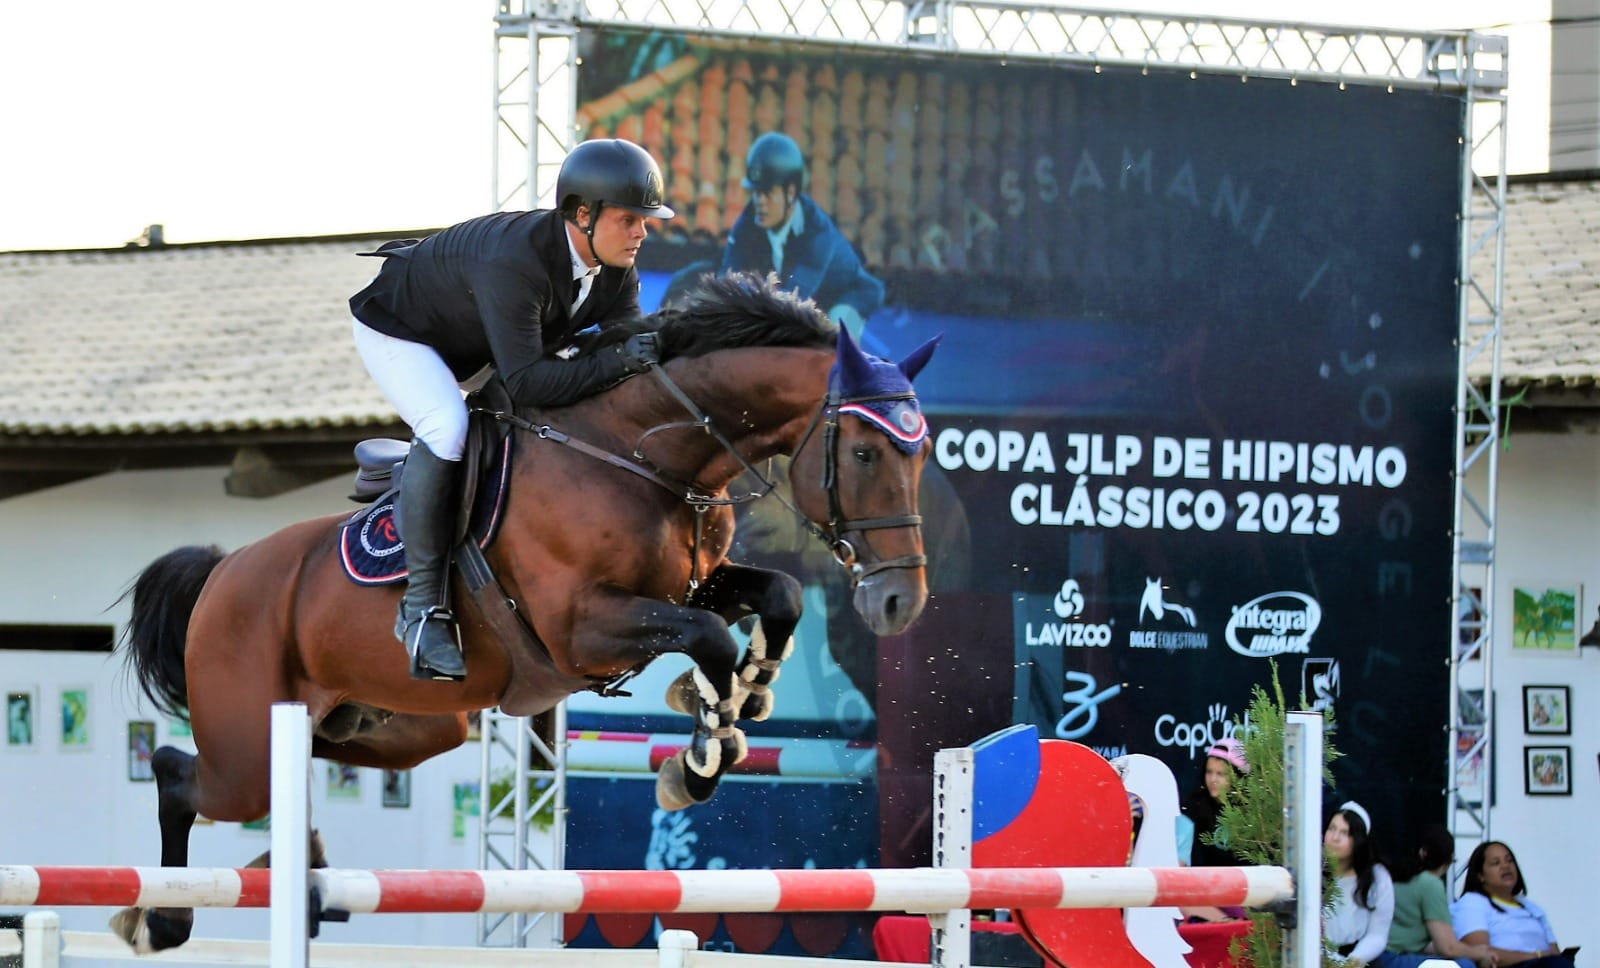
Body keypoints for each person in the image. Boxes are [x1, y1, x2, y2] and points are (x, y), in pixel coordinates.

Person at [349, 138, 674, 681]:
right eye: (629, 219)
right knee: (447, 426)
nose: (642, 231)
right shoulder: (515, 263)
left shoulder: (616, 265)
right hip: (402, 331)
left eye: (645, 219)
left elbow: (628, 343)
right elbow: (528, 381)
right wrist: (617, 360)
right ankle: (422, 611)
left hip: (483, 340)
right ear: (582, 214)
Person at [719, 132, 884, 336]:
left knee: (833, 338)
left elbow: (794, 299)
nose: (759, 202)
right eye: (756, 193)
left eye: (768, 193)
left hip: (848, 295)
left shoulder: (818, 231)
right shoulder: (749, 219)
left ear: (790, 193)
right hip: (802, 300)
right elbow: (726, 279)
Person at [1377, 823, 1494, 968]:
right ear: (1450, 860)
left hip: (1380, 956)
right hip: (1393, 959)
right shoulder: (1430, 883)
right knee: (1464, 965)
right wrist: (1480, 954)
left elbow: (1423, 944)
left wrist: (1471, 951)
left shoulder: (1394, 875)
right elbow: (1448, 947)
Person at [1451, 841, 1575, 968]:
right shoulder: (1472, 902)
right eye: (1496, 863)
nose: (1505, 866)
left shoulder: (1531, 907)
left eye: (1509, 861)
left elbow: (1553, 951)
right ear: (1480, 876)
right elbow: (1480, 953)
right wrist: (1535, 955)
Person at [1323, 802, 1395, 966]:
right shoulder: (1312, 872)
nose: (1335, 837)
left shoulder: (1377, 878)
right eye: (1332, 829)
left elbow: (1378, 934)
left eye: (1345, 833)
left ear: (1358, 840)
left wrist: (1353, 961)